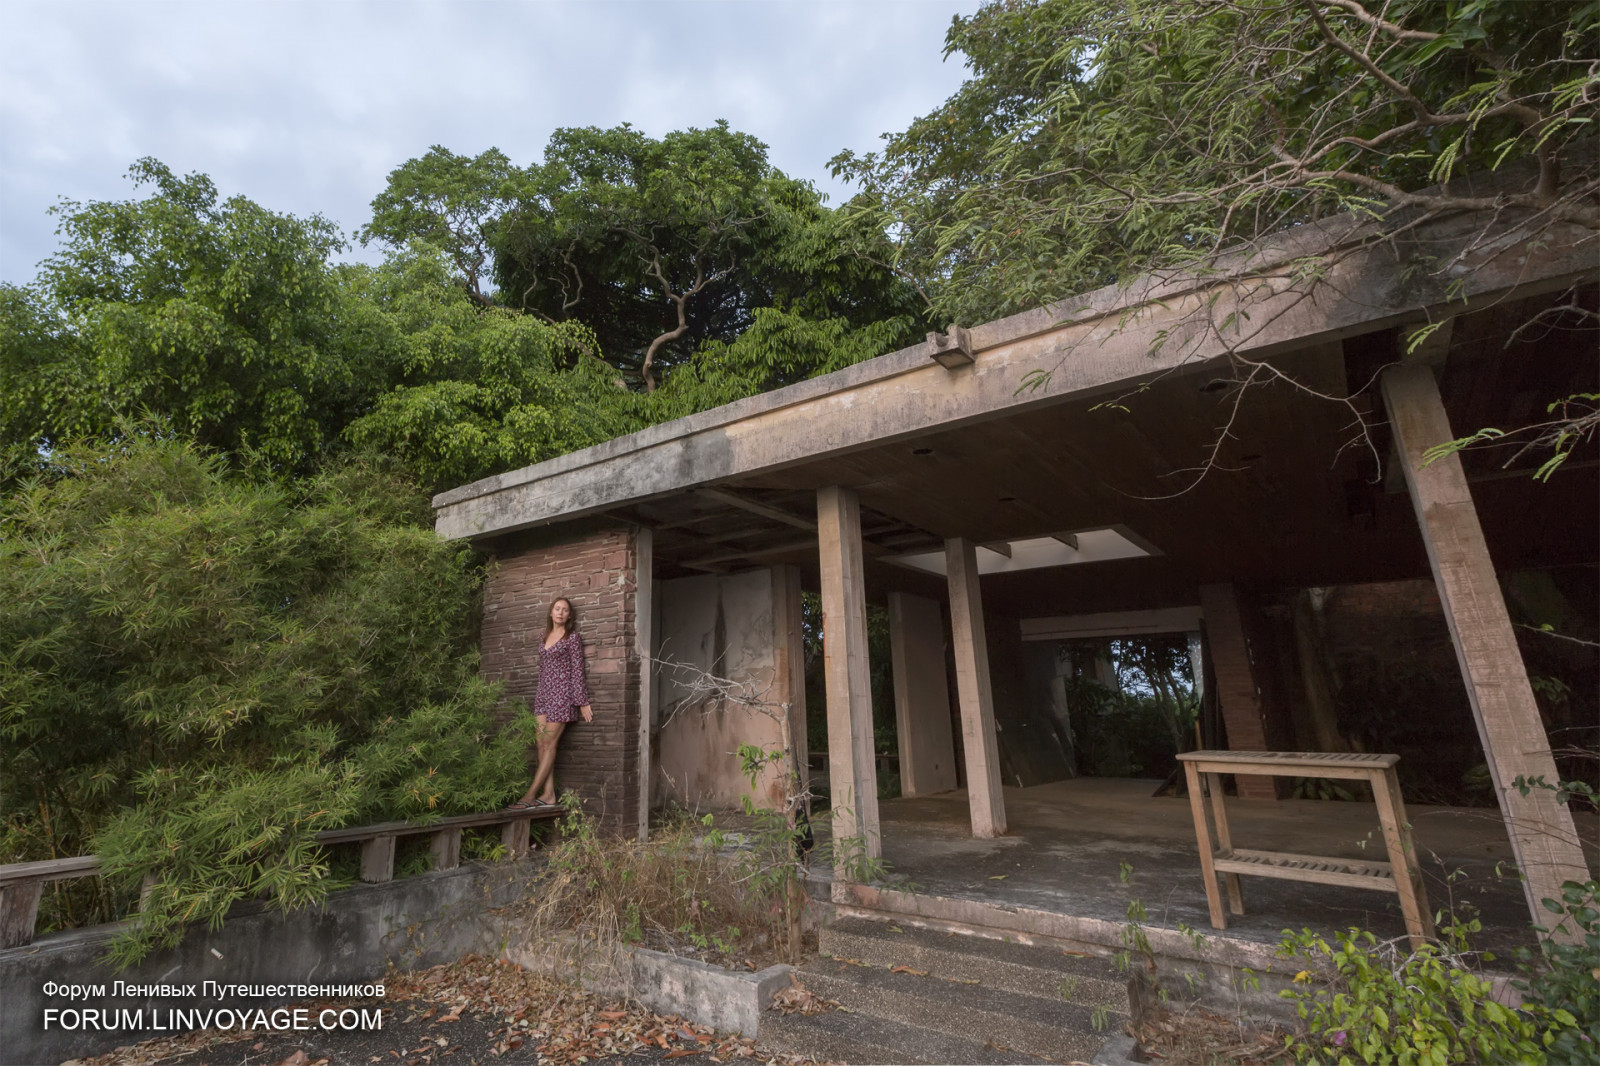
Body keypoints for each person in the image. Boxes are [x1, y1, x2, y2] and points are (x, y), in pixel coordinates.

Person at [507, 597, 592, 809]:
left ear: (569, 615)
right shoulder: (543, 636)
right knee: (541, 743)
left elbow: (577, 671)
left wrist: (582, 701)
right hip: (543, 695)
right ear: (551, 612)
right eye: (557, 608)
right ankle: (548, 794)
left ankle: (529, 795)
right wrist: (541, 694)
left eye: (565, 610)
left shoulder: (572, 638)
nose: (560, 612)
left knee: (550, 743)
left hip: (562, 696)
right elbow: (543, 669)